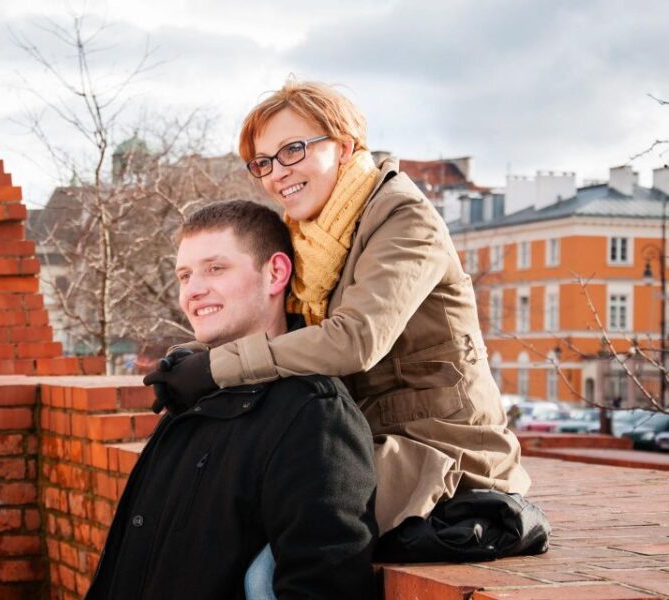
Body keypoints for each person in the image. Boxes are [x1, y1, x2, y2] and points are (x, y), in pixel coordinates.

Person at [145, 79, 549, 563]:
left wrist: (215, 370)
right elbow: (287, 338)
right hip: (359, 448)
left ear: (344, 145)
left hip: (446, 457)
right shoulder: (314, 237)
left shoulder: (403, 218)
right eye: (265, 162)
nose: (278, 173)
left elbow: (355, 340)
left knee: (261, 565)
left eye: (293, 150)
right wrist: (199, 358)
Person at [87, 200, 378, 600]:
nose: (194, 290)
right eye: (185, 275)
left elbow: (325, 584)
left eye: (216, 268)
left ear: (275, 273)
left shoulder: (315, 415)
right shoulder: (192, 395)